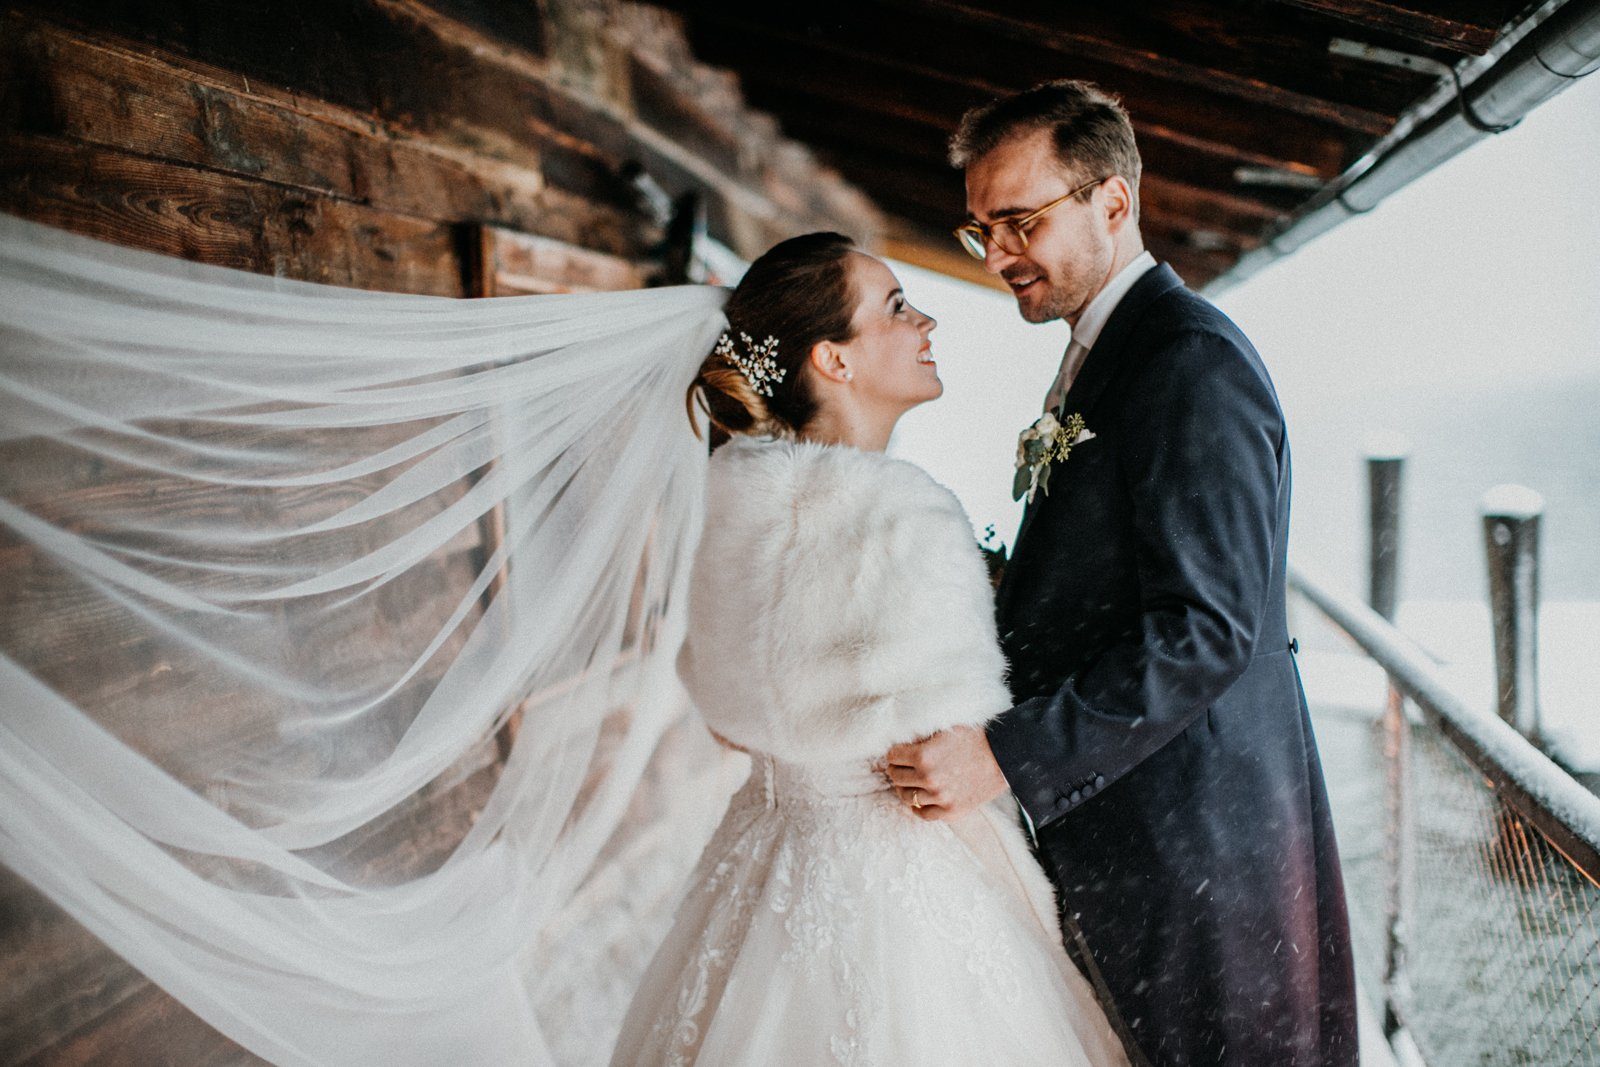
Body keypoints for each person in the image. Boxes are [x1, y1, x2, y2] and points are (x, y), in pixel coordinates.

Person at [882, 81, 1360, 1065]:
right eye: (982, 231)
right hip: (1142, 835)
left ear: (1113, 200)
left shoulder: (1186, 362)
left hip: (1198, 852)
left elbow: (1206, 629)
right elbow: (1109, 581)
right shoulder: (1111, 352)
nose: (999, 254)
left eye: (1018, 220)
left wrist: (1005, 754)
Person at [610, 233, 1130, 1066]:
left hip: (764, 849)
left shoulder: (725, 510)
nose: (925, 318)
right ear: (834, 360)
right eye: (894, 306)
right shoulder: (903, 516)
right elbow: (950, 753)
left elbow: (730, 714)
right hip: (903, 881)